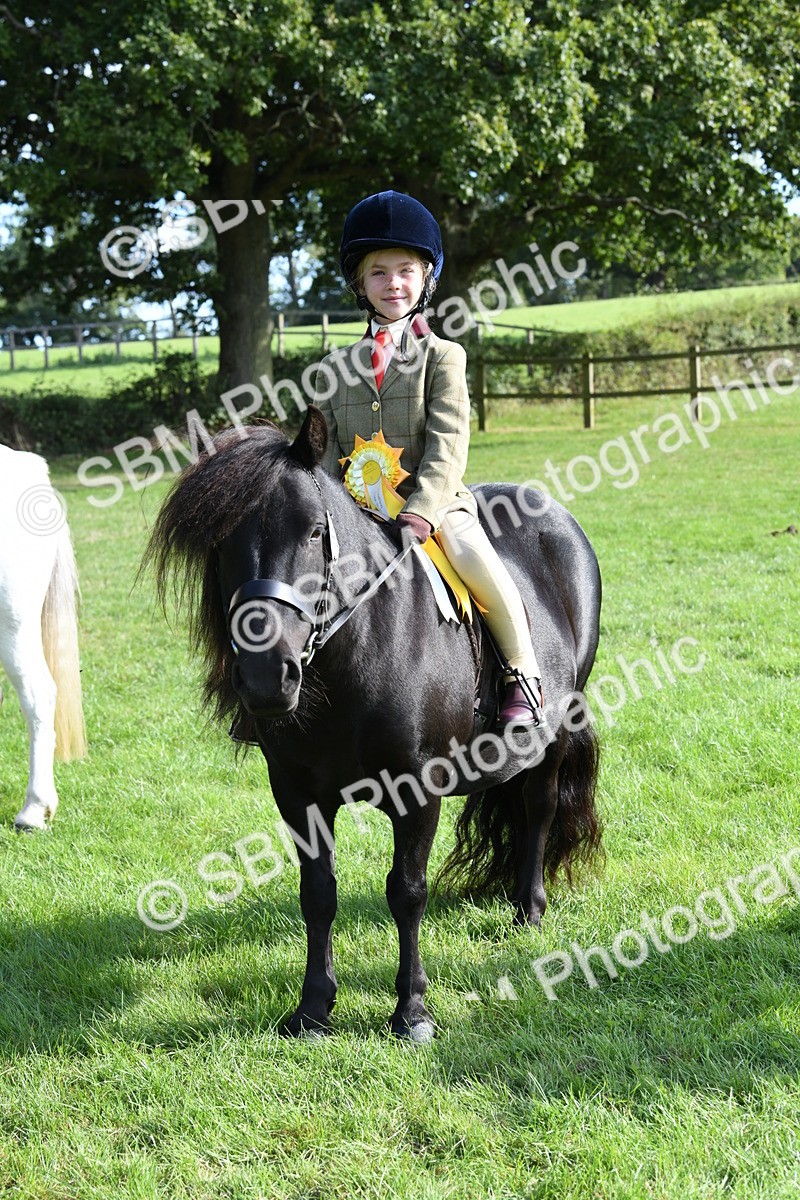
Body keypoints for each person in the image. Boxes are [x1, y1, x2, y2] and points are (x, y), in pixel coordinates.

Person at [313, 190, 543, 727]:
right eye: (378, 273)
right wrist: (322, 511)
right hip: (351, 514)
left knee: (470, 554)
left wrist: (421, 511)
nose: (392, 283)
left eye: (405, 271)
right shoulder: (335, 365)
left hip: (433, 510)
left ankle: (522, 671)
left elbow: (448, 445)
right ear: (359, 284)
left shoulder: (443, 357)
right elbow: (320, 450)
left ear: (425, 280)